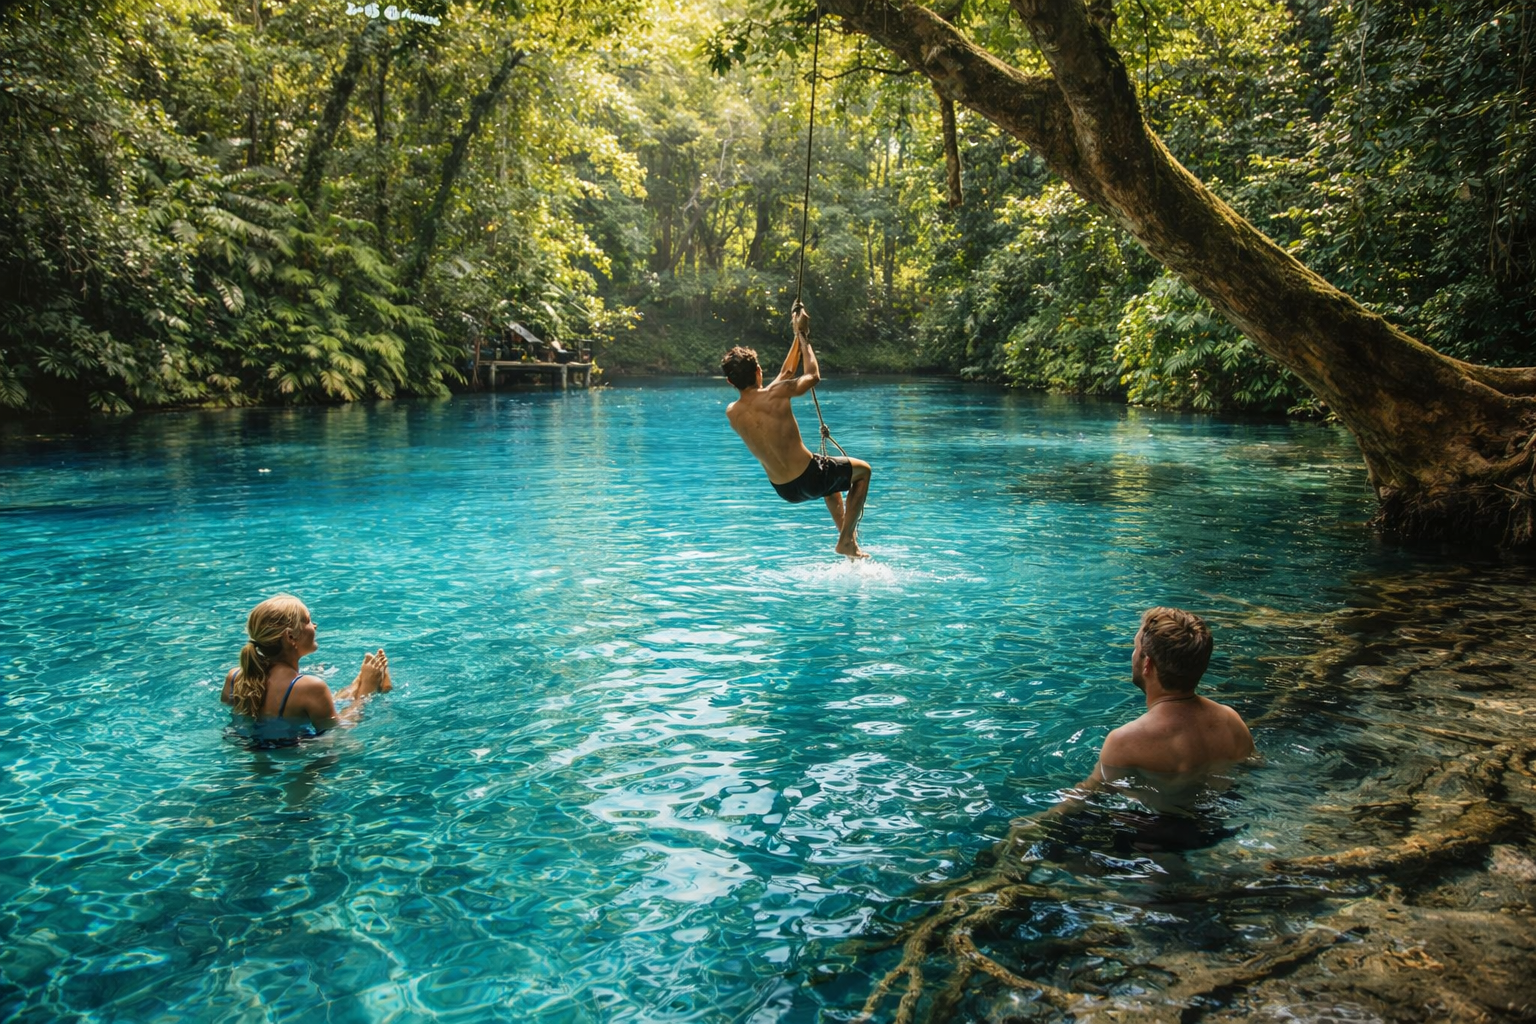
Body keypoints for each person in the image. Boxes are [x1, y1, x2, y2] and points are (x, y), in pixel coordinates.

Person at [1057, 606, 1255, 821]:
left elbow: (1087, 796)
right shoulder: (1230, 720)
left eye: (1135, 648)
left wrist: (1032, 825)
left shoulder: (1125, 740)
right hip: (1219, 825)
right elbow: (1251, 769)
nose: (1133, 655)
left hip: (1154, 835)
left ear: (1147, 664)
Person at [721, 302, 872, 558]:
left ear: (730, 381)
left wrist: (798, 333)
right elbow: (812, 376)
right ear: (759, 371)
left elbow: (787, 371)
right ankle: (846, 540)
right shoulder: (776, 393)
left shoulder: (732, 413)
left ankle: (849, 543)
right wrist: (805, 340)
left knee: (832, 484)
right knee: (863, 472)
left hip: (784, 490)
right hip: (809, 475)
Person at [221, 594, 391, 748]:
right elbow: (337, 735)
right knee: (355, 748)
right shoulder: (310, 687)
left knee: (338, 700)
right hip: (298, 757)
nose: (315, 626)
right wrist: (365, 691)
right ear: (290, 637)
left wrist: (354, 686)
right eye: (308, 620)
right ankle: (368, 686)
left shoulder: (235, 677)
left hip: (257, 754)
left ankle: (356, 685)